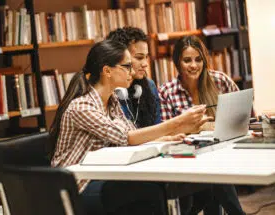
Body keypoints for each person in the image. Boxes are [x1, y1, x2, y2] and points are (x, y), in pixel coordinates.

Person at [49, 39, 209, 215]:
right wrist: (178, 122)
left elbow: (131, 136)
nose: (132, 72)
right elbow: (127, 138)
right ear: (107, 71)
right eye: (126, 66)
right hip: (77, 186)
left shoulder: (112, 101)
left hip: (103, 176)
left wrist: (168, 136)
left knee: (173, 188)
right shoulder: (82, 107)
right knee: (152, 192)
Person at [159, 35, 244, 215]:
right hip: (185, 158)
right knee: (214, 177)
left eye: (198, 59)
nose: (194, 65)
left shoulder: (220, 81)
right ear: (177, 62)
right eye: (187, 60)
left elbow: (242, 115)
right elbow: (167, 132)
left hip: (221, 153)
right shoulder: (167, 92)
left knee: (214, 174)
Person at [106, 27, 161, 128]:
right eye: (139, 58)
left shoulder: (150, 85)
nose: (145, 64)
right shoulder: (106, 91)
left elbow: (157, 127)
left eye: (146, 57)